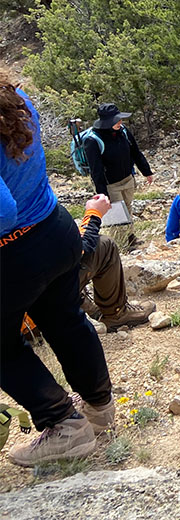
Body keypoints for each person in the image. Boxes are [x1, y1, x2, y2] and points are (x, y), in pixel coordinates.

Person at [1, 77, 114, 466]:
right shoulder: (14, 99)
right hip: (54, 228)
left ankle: (64, 425)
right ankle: (99, 409)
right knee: (65, 320)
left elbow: (2, 212)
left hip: (12, 251)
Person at [77, 194, 156, 330]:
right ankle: (116, 313)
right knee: (104, 245)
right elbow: (82, 247)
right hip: (41, 302)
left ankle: (82, 305)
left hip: (32, 299)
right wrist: (93, 213)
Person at [83, 102, 154, 230]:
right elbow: (96, 170)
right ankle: (121, 243)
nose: (120, 122)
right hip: (111, 185)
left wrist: (146, 172)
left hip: (128, 180)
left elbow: (135, 153)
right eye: (116, 120)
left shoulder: (123, 131)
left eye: (120, 119)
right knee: (116, 215)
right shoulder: (93, 140)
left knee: (128, 208)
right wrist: (102, 194)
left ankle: (131, 237)